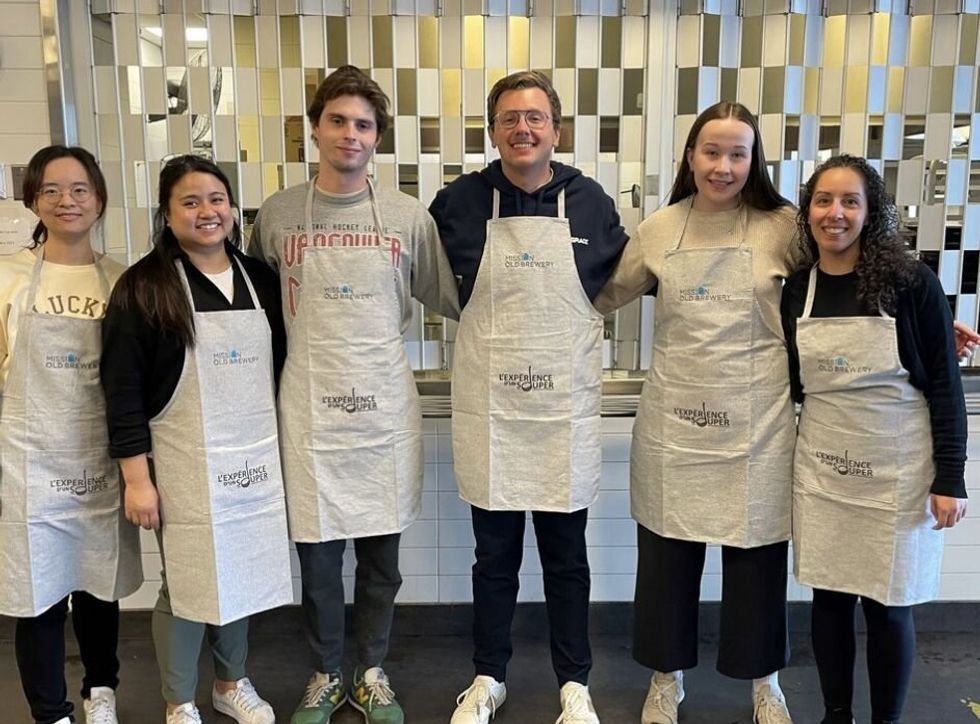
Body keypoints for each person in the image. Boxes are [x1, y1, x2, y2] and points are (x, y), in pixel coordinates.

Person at [248, 65, 458, 724]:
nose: (350, 134)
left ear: (377, 137)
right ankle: (325, 671)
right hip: (308, 409)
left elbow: (449, 299)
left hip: (383, 409)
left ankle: (370, 670)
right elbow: (257, 312)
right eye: (337, 120)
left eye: (363, 124)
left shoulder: (406, 218)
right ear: (315, 130)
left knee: (381, 561)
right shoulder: (279, 215)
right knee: (316, 561)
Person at [430, 70, 628, 724]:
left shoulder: (591, 202)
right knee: (495, 559)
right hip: (492, 413)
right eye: (510, 118)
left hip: (559, 416)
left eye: (535, 118)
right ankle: (489, 677)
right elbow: (425, 281)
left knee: (567, 558)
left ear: (556, 130)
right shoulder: (458, 202)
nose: (523, 129)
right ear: (493, 131)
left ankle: (575, 684)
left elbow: (618, 287)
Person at [593, 101, 800, 724]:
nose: (724, 166)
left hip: (757, 421)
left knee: (758, 559)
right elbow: (601, 296)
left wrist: (922, 319)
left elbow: (848, 283)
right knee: (665, 562)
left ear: (753, 159)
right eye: (712, 152)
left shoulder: (785, 226)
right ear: (690, 157)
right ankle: (667, 677)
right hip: (675, 421)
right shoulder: (660, 228)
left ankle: (765, 683)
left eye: (738, 153)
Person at [102, 155, 292, 724]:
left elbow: (279, 364)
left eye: (216, 199)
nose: (207, 212)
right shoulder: (144, 287)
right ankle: (179, 699)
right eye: (190, 201)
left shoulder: (259, 279)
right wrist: (137, 480)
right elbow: (123, 391)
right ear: (166, 214)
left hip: (253, 456)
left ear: (233, 210)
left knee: (240, 569)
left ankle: (231, 684)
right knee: (184, 584)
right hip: (180, 459)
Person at [781, 154, 968, 724]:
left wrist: (951, 477)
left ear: (872, 212)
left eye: (850, 201)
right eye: (823, 200)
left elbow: (944, 382)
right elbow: (795, 381)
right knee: (830, 600)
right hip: (824, 467)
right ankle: (836, 713)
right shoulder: (797, 289)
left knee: (889, 605)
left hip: (898, 470)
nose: (834, 213)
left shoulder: (911, 282)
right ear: (808, 209)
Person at [0, 145, 142, 724]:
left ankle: (100, 692)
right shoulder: (8, 274)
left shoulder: (122, 279)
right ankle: (50, 711)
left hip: (99, 453)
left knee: (96, 581)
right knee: (36, 591)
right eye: (51, 190)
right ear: (34, 200)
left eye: (79, 188)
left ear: (100, 199)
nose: (67, 200)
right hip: (28, 457)